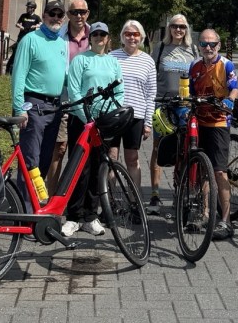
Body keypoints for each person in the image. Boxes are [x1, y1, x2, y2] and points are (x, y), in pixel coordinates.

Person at [62, 22, 124, 237]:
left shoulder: (113, 62)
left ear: (108, 38)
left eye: (102, 34)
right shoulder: (80, 60)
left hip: (104, 122)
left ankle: (90, 215)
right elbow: (74, 91)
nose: (99, 37)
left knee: (98, 169)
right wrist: (86, 117)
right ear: (90, 37)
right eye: (95, 34)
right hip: (82, 121)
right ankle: (73, 216)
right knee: (79, 168)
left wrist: (110, 115)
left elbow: (119, 91)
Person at [10, 0, 68, 199]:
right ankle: (24, 208)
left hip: (55, 107)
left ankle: (34, 202)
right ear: (43, 16)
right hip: (34, 106)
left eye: (59, 15)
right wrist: (19, 108)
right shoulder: (30, 40)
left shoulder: (61, 43)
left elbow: (62, 75)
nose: (56, 18)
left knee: (44, 159)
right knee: (30, 161)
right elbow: (18, 75)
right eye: (52, 14)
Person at [189, 28, 238, 240]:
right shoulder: (194, 65)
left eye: (212, 44)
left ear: (218, 45)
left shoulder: (226, 64)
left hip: (218, 122)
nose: (208, 48)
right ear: (199, 46)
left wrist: (230, 99)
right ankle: (205, 213)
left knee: (219, 171)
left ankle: (226, 220)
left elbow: (234, 88)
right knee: (202, 169)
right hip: (199, 121)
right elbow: (190, 91)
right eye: (204, 44)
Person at [148, 14, 198, 214]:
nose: (178, 30)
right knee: (158, 147)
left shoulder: (193, 49)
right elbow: (151, 74)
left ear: (187, 29)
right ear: (169, 28)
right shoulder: (160, 48)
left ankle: (181, 190)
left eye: (182, 26)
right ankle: (155, 193)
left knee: (185, 148)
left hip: (185, 105)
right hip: (163, 104)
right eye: (175, 26)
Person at [46, 0, 92, 193]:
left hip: (86, 102)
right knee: (59, 149)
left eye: (82, 12)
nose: (78, 16)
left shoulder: (95, 34)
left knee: (80, 151)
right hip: (64, 99)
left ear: (87, 13)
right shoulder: (59, 35)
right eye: (74, 12)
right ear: (68, 15)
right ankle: (52, 197)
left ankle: (73, 196)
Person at [110, 20, 157, 194]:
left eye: (135, 34)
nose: (132, 37)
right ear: (122, 36)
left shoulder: (148, 61)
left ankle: (134, 198)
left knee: (132, 158)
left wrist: (148, 122)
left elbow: (151, 93)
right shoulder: (111, 57)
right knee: (111, 157)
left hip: (136, 116)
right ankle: (110, 199)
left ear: (141, 37)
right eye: (128, 34)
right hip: (114, 115)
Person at [5, 0, 40, 74]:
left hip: (31, 37)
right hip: (22, 36)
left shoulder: (36, 17)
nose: (27, 8)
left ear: (33, 8)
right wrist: (20, 26)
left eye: (29, 7)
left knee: (29, 53)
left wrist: (35, 26)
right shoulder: (23, 15)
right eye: (27, 7)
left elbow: (41, 24)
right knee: (16, 52)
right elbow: (17, 24)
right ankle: (8, 69)